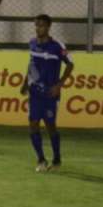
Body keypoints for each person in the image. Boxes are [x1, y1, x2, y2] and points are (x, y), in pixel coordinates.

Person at [20, 15, 74, 172]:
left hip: (50, 93)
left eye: (42, 26)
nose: (38, 29)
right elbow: (31, 65)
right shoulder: (32, 43)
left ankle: (57, 158)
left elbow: (70, 64)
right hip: (35, 92)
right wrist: (25, 83)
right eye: (36, 25)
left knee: (51, 126)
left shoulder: (57, 46)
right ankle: (41, 160)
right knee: (33, 125)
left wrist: (59, 84)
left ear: (48, 27)